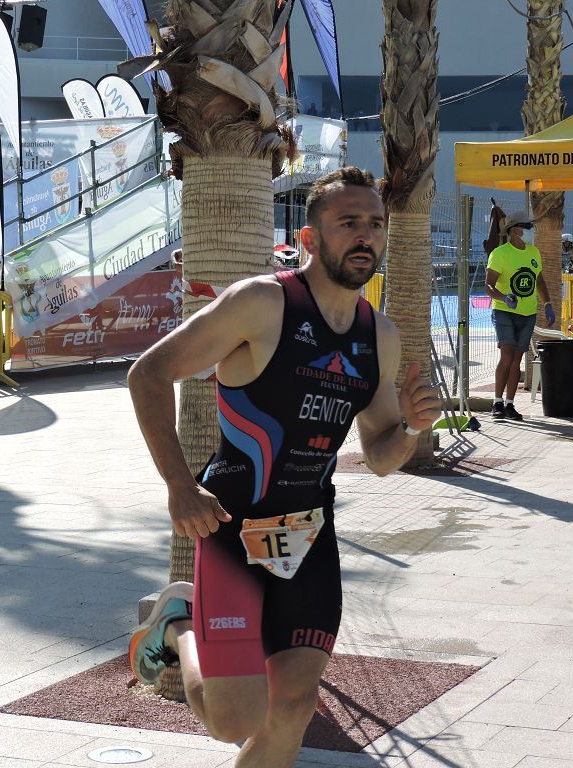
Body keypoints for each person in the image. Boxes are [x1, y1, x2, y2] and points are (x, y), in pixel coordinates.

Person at [126, 167, 441, 767]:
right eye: (348, 223)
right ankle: (179, 625)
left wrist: (412, 429)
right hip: (229, 525)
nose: (365, 236)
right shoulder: (263, 303)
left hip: (307, 536)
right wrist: (177, 485)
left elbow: (379, 456)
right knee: (234, 721)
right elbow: (148, 373)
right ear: (310, 237)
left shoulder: (381, 336)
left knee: (293, 710)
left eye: (375, 224)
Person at [484, 210, 556, 421]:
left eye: (528, 227)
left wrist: (548, 303)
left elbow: (539, 280)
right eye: (525, 227)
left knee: (516, 360)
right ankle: (497, 402)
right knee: (506, 355)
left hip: (528, 312)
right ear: (514, 230)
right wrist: (504, 297)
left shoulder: (533, 252)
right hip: (504, 311)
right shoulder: (500, 253)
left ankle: (510, 404)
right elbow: (488, 285)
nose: (528, 230)